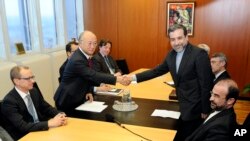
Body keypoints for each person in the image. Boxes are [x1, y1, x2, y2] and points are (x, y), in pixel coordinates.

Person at [124, 24, 214, 141]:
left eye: (179, 38)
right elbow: (156, 71)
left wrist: (205, 109)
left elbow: (206, 85)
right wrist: (132, 78)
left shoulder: (199, 54)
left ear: (187, 37)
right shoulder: (171, 55)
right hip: (182, 104)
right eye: (172, 39)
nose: (176, 43)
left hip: (196, 107)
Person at [54, 31, 127, 113]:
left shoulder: (84, 56)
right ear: (81, 43)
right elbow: (93, 75)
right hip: (67, 101)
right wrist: (117, 79)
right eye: (89, 43)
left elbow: (84, 78)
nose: (92, 47)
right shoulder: (77, 59)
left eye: (95, 43)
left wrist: (88, 91)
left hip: (77, 98)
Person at [1, 65, 67, 140]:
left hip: (41, 130)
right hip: (25, 136)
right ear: (17, 81)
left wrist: (60, 114)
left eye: (32, 77)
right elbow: (23, 127)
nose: (33, 81)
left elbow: (46, 108)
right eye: (28, 78)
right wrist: (49, 123)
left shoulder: (33, 91)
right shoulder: (9, 102)